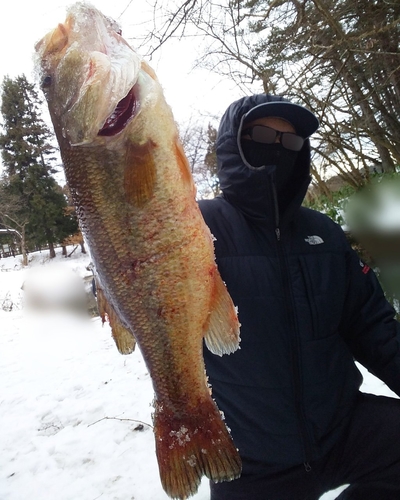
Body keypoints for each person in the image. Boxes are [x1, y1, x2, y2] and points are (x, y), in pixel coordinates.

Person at [198, 94, 400, 500]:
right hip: (251, 460)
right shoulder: (198, 229)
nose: (279, 148)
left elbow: (374, 329)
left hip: (343, 431)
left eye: (291, 142)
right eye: (263, 135)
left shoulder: (323, 233)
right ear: (233, 144)